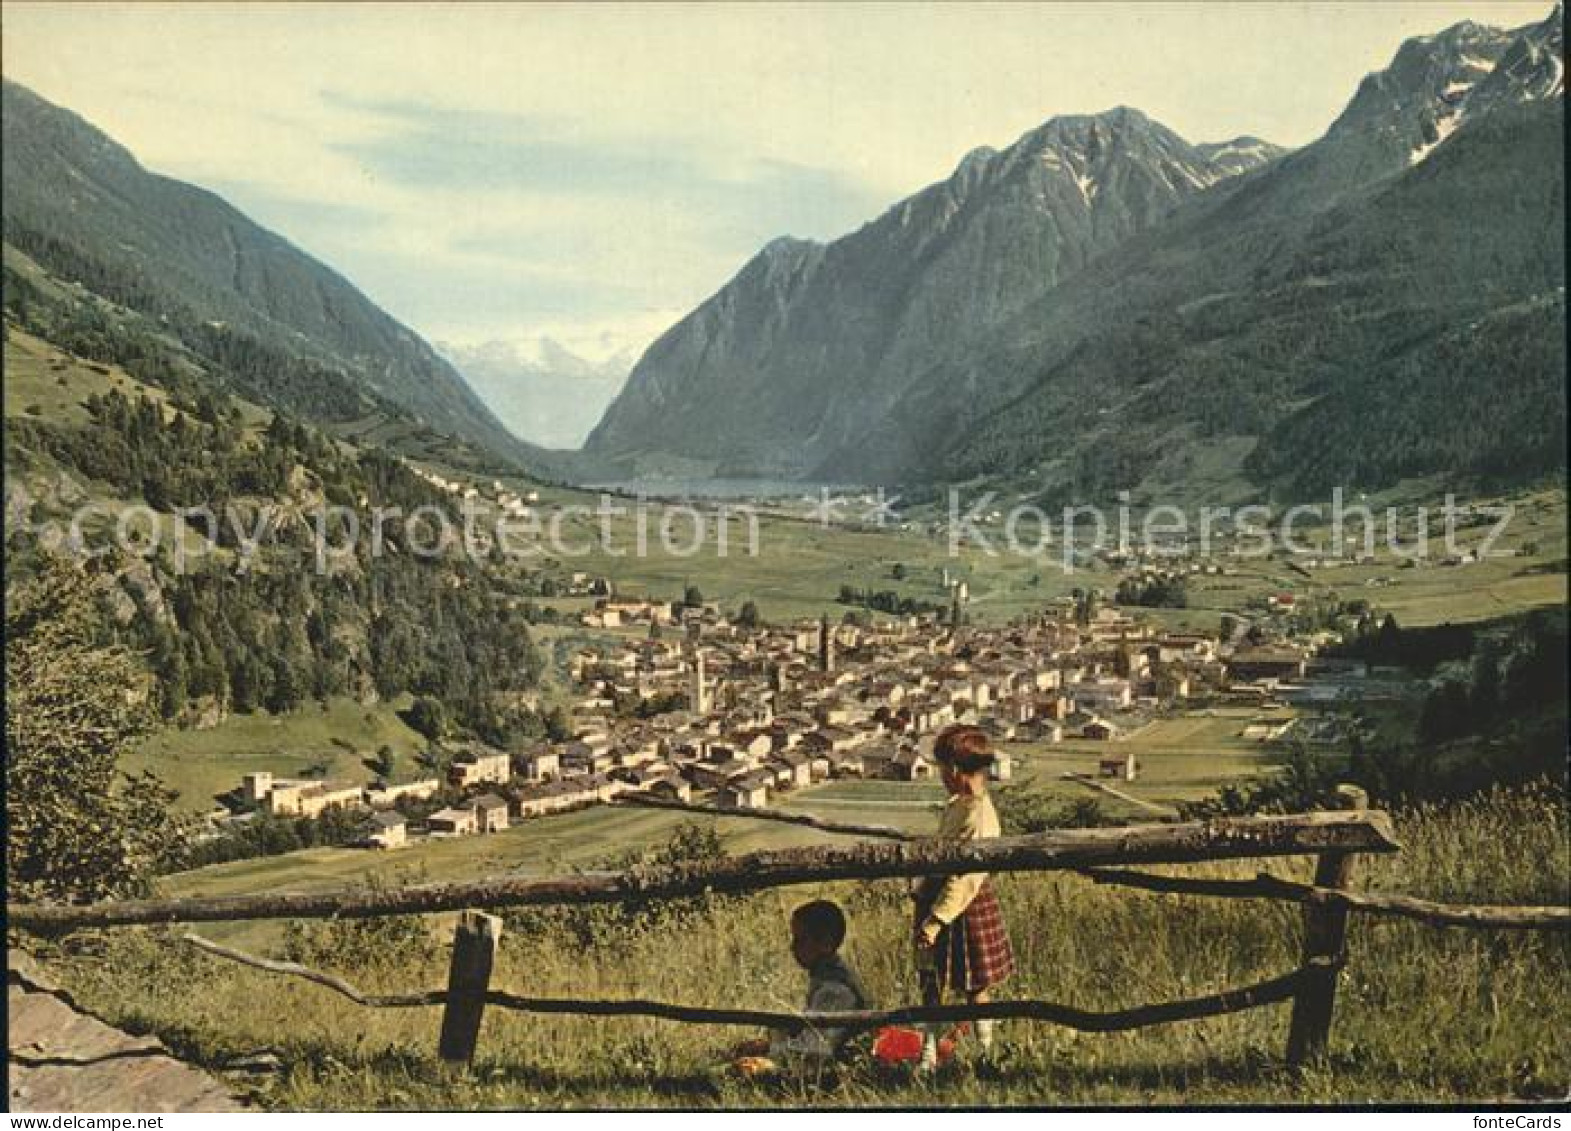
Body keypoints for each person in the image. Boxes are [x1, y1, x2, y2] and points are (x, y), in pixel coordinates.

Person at [912, 724, 1016, 1066]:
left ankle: (986, 1053)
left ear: (955, 770)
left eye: (942, 767)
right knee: (932, 982)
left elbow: (965, 878)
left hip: (962, 905)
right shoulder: (960, 805)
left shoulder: (978, 815)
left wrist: (936, 920)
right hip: (940, 899)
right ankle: (929, 1053)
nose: (941, 774)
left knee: (974, 986)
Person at [731, 899, 870, 1073]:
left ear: (825, 943)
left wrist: (768, 1051)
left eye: (800, 940)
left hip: (837, 1073)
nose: (792, 947)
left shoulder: (835, 990)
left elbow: (814, 1051)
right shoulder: (825, 976)